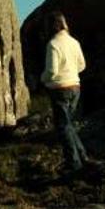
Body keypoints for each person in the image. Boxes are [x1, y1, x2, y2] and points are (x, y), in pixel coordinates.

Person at [40, 11, 88, 172]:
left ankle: (74, 163)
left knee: (63, 127)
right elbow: (82, 65)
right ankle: (82, 156)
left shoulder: (53, 44)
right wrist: (71, 72)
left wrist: (43, 79)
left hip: (60, 89)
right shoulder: (74, 42)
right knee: (69, 125)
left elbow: (52, 71)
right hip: (75, 87)